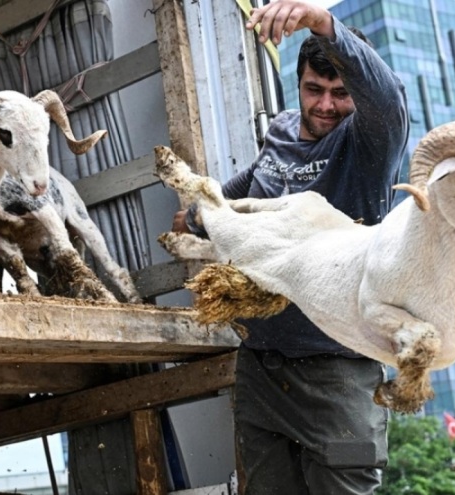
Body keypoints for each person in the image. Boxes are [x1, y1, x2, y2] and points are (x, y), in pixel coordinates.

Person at [171, 1, 409, 493]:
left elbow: (390, 100)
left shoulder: (367, 142)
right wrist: (200, 215)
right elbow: (251, 184)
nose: (325, 105)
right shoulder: (280, 130)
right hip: (261, 368)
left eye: (340, 94)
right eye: (314, 90)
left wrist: (323, 24)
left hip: (337, 374)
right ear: (298, 84)